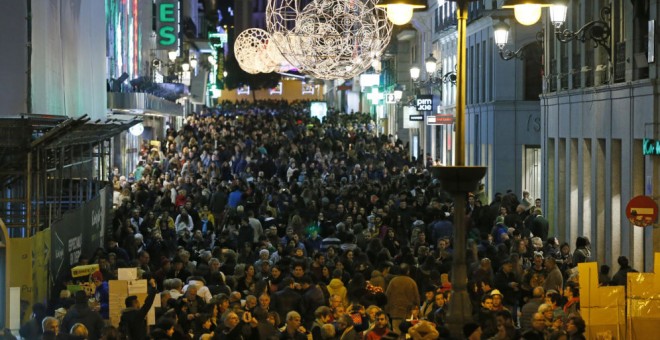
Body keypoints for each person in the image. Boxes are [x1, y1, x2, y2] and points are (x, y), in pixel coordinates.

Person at [384, 264, 419, 333]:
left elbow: (387, 297)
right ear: (408, 271)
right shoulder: (411, 282)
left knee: (397, 335)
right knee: (408, 335)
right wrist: (417, 312)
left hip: (395, 313)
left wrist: (387, 311)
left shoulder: (393, 281)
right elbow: (416, 298)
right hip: (408, 314)